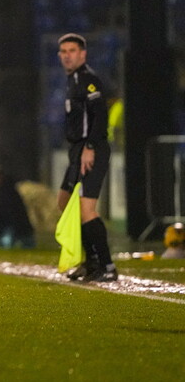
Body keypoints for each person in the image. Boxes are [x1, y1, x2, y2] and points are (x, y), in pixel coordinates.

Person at [56, 33, 117, 282]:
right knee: (63, 202)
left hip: (91, 149)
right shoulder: (73, 81)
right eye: (64, 51)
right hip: (77, 151)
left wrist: (90, 147)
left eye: (72, 50)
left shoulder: (88, 79)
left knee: (86, 209)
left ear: (83, 54)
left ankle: (107, 265)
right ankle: (90, 263)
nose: (67, 55)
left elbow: (100, 115)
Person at [0, 165, 35, 248]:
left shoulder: (8, 191)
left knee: (8, 243)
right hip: (8, 228)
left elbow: (11, 213)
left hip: (17, 229)